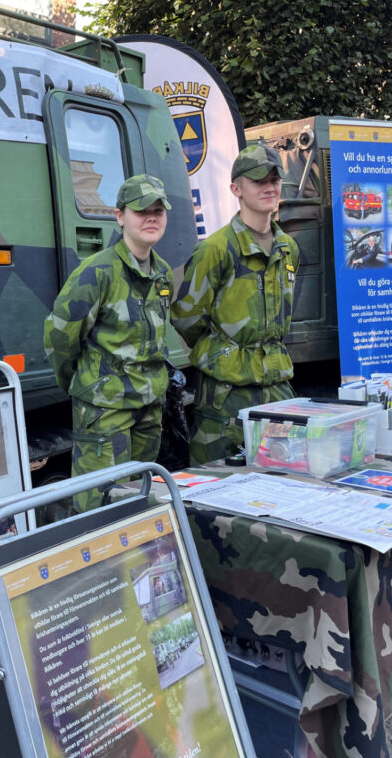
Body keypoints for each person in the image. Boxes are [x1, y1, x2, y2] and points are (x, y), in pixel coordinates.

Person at [43, 175, 175, 511]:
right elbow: (60, 335)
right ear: (120, 216)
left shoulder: (162, 273)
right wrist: (84, 384)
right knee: (98, 507)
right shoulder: (98, 272)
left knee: (138, 501)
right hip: (106, 410)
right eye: (141, 210)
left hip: (148, 408)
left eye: (158, 210)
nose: (151, 218)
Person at [172, 145, 300, 465]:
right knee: (217, 483)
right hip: (226, 394)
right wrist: (224, 355)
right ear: (236, 189)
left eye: (274, 179)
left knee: (286, 475)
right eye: (258, 181)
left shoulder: (288, 248)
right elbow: (187, 317)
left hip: (277, 385)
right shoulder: (217, 250)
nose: (269, 187)